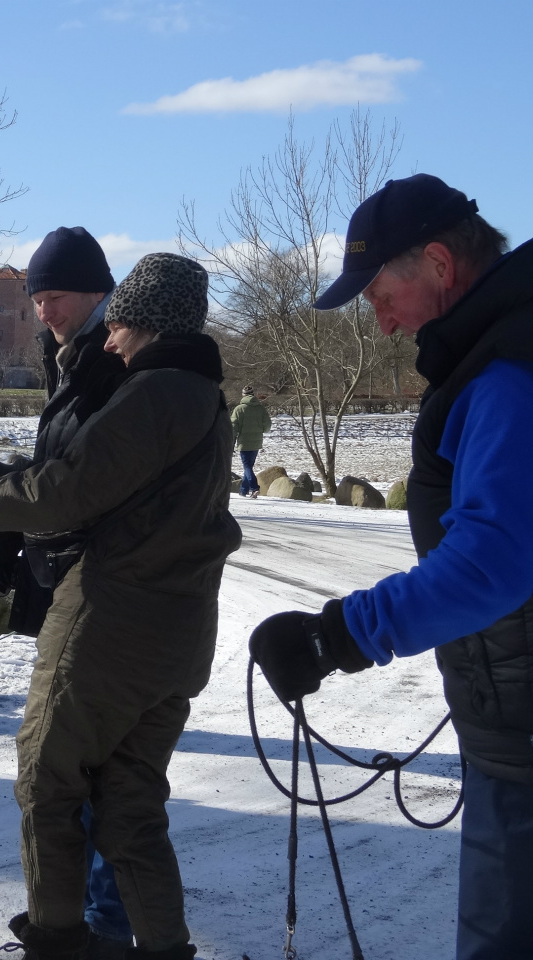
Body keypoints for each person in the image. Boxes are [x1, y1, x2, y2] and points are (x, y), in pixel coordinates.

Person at [0, 253, 241, 960]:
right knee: (131, 809)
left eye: (121, 323)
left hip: (110, 622)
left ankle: (56, 944)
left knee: (47, 783)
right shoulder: (203, 397)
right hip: (180, 633)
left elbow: (64, 490)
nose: (109, 339)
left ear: (148, 323)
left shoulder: (156, 392)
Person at [248, 173, 533, 960]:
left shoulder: (510, 372)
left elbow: (492, 563)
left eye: (378, 295)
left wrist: (337, 636)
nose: (379, 326)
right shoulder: (495, 350)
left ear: (440, 263)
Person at [0, 227, 134, 956]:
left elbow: (74, 488)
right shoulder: (77, 355)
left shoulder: (113, 362)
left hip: (110, 594)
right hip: (80, 584)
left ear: (91, 289)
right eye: (34, 297)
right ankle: (90, 917)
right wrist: (1, 532)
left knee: (89, 771)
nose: (41, 310)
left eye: (50, 296)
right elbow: (55, 472)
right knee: (78, 769)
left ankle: (101, 925)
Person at [229, 385, 271, 497]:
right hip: (257, 441)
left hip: (244, 442)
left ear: (243, 395)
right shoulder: (260, 408)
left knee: (247, 466)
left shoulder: (239, 409)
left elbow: (233, 427)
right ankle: (243, 490)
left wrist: (231, 441)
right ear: (253, 394)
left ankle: (254, 488)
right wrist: (261, 430)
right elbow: (267, 425)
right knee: (248, 467)